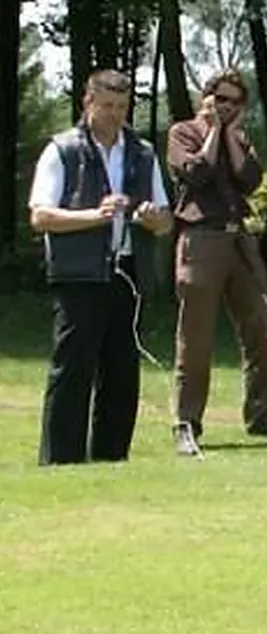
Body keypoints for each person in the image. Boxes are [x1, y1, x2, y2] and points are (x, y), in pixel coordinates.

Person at [27, 70, 173, 464]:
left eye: (122, 107)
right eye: (106, 105)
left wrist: (149, 216)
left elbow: (165, 222)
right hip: (78, 275)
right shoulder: (63, 150)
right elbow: (40, 217)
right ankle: (60, 459)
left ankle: (112, 458)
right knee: (73, 370)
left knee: (122, 372)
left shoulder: (142, 153)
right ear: (86, 102)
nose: (113, 114)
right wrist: (97, 215)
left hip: (127, 273)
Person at [167, 69, 267, 456]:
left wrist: (229, 136)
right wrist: (211, 132)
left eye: (233, 102)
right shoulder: (182, 133)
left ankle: (260, 414)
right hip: (201, 237)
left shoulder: (239, 138)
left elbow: (250, 180)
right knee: (197, 337)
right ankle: (187, 423)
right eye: (219, 98)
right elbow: (195, 173)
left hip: (238, 239)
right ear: (206, 97)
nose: (225, 106)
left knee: (259, 326)